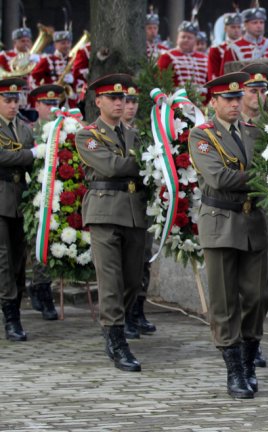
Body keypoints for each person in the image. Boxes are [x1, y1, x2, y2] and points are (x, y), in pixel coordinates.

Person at [188, 71, 268, 399]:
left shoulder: (255, 132)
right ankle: (234, 370)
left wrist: (259, 175)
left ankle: (249, 360)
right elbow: (219, 178)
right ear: (214, 101)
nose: (235, 104)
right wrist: (263, 175)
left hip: (253, 223)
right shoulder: (201, 135)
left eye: (238, 98)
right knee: (223, 300)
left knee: (258, 297)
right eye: (228, 99)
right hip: (220, 221)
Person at [75, 74, 147, 371]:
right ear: (98, 102)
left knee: (133, 279)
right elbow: (110, 165)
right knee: (110, 280)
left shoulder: (134, 134)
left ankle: (116, 324)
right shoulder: (88, 134)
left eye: (124, 98)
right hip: (104, 211)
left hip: (133, 211)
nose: (120, 103)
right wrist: (145, 161)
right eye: (113, 98)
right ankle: (116, 339)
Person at [0, 78, 46, 341]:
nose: (13, 105)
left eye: (16, 100)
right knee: (4, 260)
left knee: (18, 261)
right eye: (7, 100)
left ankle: (14, 308)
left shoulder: (24, 129)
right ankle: (11, 318)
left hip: (20, 201)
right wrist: (31, 155)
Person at [238, 63, 268, 368]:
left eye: (263, 90)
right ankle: (238, 338)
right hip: (237, 214)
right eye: (253, 90)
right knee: (240, 284)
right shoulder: (229, 124)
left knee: (266, 284)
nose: (259, 96)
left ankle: (254, 338)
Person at [25, 84, 66, 321]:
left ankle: (42, 288)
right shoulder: (30, 132)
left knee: (54, 242)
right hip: (34, 195)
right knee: (38, 243)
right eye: (47, 104)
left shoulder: (65, 130)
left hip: (61, 195)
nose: (52, 108)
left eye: (55, 103)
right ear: (37, 106)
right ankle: (40, 287)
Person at [120, 85, 157, 338]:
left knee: (143, 259)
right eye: (126, 101)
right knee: (123, 263)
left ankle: (138, 309)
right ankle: (124, 313)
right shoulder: (111, 134)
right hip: (121, 205)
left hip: (143, 204)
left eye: (134, 102)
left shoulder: (143, 133)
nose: (131, 106)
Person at [157, 22, 208, 95]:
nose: (186, 40)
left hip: (203, 103)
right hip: (177, 101)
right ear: (178, 38)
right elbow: (162, 82)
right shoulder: (167, 57)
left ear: (195, 40)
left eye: (189, 37)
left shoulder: (204, 58)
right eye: (183, 37)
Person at [207, 12, 242, 81]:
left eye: (238, 27)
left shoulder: (246, 47)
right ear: (225, 28)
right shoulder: (216, 49)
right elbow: (213, 74)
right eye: (233, 27)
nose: (236, 30)